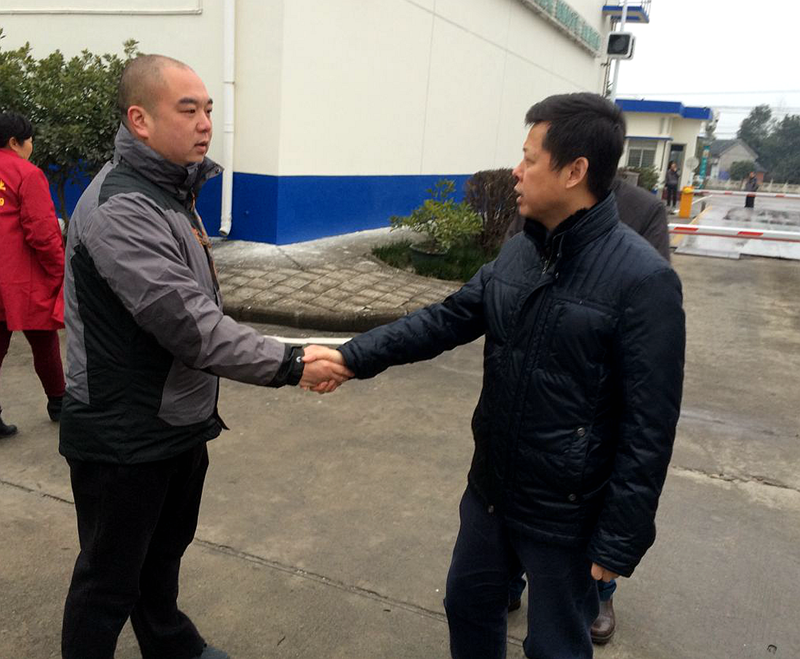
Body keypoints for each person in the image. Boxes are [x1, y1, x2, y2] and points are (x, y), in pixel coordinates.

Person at [305, 93, 685, 658]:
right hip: (491, 491)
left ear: (574, 171)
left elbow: (649, 425)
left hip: (567, 512)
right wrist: (353, 357)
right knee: (467, 606)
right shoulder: (520, 252)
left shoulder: (643, 280)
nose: (516, 170)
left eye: (530, 158)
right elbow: (446, 319)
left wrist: (619, 537)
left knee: (555, 645)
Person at [59, 54, 350, 659]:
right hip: (124, 434)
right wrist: (293, 363)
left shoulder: (170, 191)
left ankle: (171, 645)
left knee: (161, 556)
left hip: (176, 421)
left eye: (209, 109)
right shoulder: (122, 208)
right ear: (140, 120)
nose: (205, 123)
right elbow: (191, 326)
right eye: (187, 109)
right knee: (108, 582)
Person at [503, 172, 671, 644]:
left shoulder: (643, 211)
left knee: (582, 521)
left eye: (532, 156)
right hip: (529, 382)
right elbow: (507, 271)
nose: (520, 169)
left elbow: (650, 306)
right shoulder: (537, 200)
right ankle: (510, 582)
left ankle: (601, 592)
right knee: (511, 493)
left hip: (591, 395)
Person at [0, 111, 66, 437]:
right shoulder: (27, 174)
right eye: (29, 140)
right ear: (15, 142)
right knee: (44, 340)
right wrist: (59, 269)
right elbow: (42, 230)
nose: (31, 146)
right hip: (22, 277)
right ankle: (59, 404)